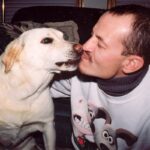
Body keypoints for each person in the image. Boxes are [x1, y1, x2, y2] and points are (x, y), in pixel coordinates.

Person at [50, 4, 150, 150]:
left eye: (100, 44)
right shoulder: (81, 72)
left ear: (130, 64)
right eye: (92, 35)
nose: (84, 46)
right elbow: (32, 87)